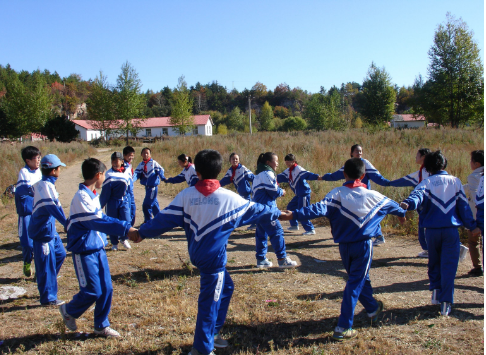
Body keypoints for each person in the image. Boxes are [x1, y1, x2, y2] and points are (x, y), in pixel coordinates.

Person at [128, 149, 284, 355]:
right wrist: (280, 213)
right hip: (213, 260)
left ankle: (212, 333)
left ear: (197, 172)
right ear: (220, 171)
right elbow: (258, 210)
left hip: (198, 255)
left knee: (226, 287)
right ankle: (202, 348)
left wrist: (142, 233)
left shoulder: (186, 196)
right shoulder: (230, 198)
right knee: (209, 302)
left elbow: (163, 219)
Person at [280, 158, 406, 341]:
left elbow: (317, 209)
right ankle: (343, 326)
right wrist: (402, 214)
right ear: (363, 175)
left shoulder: (336, 193)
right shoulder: (374, 195)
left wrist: (294, 214)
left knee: (359, 278)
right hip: (363, 246)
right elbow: (394, 206)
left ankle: (371, 308)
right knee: (355, 282)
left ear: (344, 174)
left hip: (344, 247)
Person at [59, 158, 136, 337]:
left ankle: (101, 326)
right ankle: (69, 311)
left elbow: (102, 219)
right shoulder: (82, 198)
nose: (105, 178)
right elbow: (99, 221)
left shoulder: (92, 195)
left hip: (98, 249)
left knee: (107, 289)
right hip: (84, 251)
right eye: (104, 174)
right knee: (92, 290)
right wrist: (126, 228)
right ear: (98, 175)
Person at [400, 151, 480, 316]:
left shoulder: (426, 182)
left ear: (427, 167)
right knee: (449, 266)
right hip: (451, 231)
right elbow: (464, 208)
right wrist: (472, 226)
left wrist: (407, 204)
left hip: (431, 231)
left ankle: (436, 291)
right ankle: (446, 303)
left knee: (434, 262)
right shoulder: (455, 181)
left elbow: (416, 197)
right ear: (444, 164)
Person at [322, 144, 390, 246]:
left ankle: (379, 236)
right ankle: (354, 234)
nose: (359, 153)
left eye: (361, 151)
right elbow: (336, 175)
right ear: (351, 153)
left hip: (364, 195)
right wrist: (323, 177)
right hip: (352, 195)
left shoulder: (365, 163)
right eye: (357, 151)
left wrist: (389, 183)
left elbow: (377, 177)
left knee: (370, 214)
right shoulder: (350, 164)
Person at [28, 154, 67, 306]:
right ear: (53, 170)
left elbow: (57, 206)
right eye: (59, 168)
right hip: (43, 233)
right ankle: (48, 298)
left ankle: (45, 281)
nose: (60, 171)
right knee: (46, 265)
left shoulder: (46, 184)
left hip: (50, 231)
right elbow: (52, 208)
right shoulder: (45, 186)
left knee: (60, 254)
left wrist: (66, 222)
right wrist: (66, 223)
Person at [252, 152, 297, 268]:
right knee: (277, 232)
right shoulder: (267, 173)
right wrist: (282, 191)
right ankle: (282, 260)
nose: (277, 164)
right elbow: (273, 191)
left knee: (261, 234)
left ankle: (261, 259)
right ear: (268, 162)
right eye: (275, 161)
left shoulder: (258, 175)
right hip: (267, 210)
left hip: (259, 209)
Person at [388, 148, 431, 258]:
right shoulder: (423, 170)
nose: (415, 157)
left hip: (427, 202)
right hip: (424, 202)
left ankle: (429, 249)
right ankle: (428, 249)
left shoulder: (426, 171)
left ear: (423, 157)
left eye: (417, 155)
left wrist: (388, 183)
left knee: (424, 225)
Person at [277, 153, 322, 235]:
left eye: (289, 162)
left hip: (304, 193)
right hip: (298, 195)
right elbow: (279, 177)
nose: (287, 164)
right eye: (286, 162)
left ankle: (310, 229)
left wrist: (317, 177)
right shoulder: (288, 171)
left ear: (293, 161)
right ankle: (294, 225)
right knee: (291, 207)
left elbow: (308, 174)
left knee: (303, 211)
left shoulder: (298, 169)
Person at [15, 146, 42, 277]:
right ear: (28, 160)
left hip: (36, 212)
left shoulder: (39, 172)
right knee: (26, 242)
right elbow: (25, 190)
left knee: (38, 241)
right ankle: (27, 262)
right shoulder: (24, 173)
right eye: (36, 158)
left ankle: (38, 268)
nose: (39, 161)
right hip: (25, 213)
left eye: (39, 157)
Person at [100, 152, 132, 251]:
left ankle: (124, 238)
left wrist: (130, 202)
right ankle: (114, 243)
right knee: (112, 222)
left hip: (124, 200)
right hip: (112, 202)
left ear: (122, 161)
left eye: (117, 161)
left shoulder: (127, 172)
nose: (114, 163)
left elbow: (129, 189)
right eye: (113, 161)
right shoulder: (109, 174)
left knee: (126, 220)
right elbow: (105, 192)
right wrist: (101, 205)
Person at [219, 152, 256, 230]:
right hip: (240, 194)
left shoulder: (242, 168)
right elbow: (225, 180)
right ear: (230, 160)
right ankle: (250, 223)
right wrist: (216, 185)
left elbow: (252, 177)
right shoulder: (230, 171)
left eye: (236, 159)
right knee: (242, 209)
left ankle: (255, 223)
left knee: (249, 208)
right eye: (233, 159)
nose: (235, 160)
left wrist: (259, 182)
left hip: (246, 193)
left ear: (239, 160)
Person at [463, 150, 484, 276]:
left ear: (476, 164)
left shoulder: (474, 176)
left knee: (473, 242)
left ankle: (477, 267)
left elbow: (476, 194)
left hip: (477, 216)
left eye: (471, 161)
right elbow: (470, 187)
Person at [133, 148, 166, 223]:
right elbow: (136, 173)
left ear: (150, 154)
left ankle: (148, 222)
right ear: (141, 154)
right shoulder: (141, 165)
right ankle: (160, 221)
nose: (146, 154)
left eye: (147, 153)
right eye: (144, 153)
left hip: (153, 187)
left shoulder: (153, 163)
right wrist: (131, 181)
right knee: (154, 205)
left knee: (146, 205)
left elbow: (160, 170)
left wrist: (162, 177)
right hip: (147, 187)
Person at [123, 146, 136, 226]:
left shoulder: (129, 165)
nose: (131, 157)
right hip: (126, 191)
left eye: (132, 155)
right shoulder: (123, 166)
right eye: (129, 155)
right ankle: (127, 228)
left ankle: (130, 227)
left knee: (132, 208)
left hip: (130, 190)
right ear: (124, 155)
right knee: (128, 209)